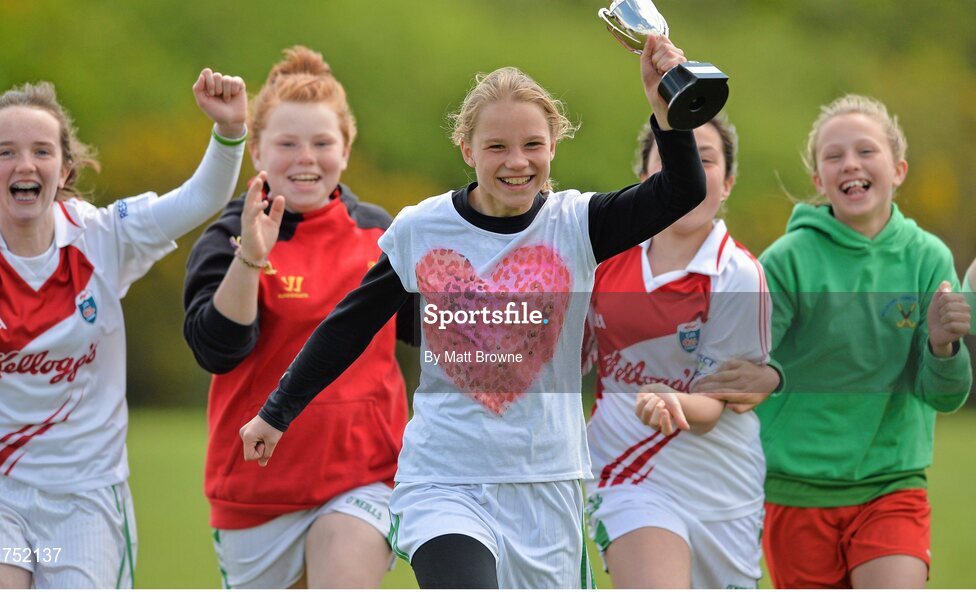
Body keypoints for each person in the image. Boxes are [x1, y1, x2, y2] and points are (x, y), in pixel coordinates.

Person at [238, 33, 707, 589]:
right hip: (444, 481)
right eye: (496, 147)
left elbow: (682, 191)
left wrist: (667, 112)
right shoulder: (422, 228)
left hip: (547, 484)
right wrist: (277, 411)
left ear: (554, 145)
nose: (517, 162)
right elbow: (352, 324)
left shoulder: (578, 224)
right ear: (467, 150)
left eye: (532, 144)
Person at [0, 70, 247, 588]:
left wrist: (229, 132)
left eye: (42, 151)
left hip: (87, 499)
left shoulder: (103, 236)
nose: (25, 164)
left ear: (64, 168)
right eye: (6, 152)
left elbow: (200, 199)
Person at [182, 46, 413, 589]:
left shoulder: (382, 234)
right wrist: (250, 257)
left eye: (322, 142)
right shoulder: (226, 236)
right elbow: (218, 349)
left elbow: (435, 334)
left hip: (365, 476)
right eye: (286, 143)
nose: (305, 157)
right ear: (257, 150)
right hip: (255, 487)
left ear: (346, 150)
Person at [753, 94, 972, 588]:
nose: (850, 163)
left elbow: (945, 395)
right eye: (834, 156)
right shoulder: (785, 261)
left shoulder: (928, 258)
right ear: (819, 181)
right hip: (797, 493)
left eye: (865, 151)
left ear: (898, 169)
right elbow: (747, 360)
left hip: (893, 485)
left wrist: (943, 346)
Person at [582, 113, 776, 588]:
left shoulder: (738, 275)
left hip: (722, 485)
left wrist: (672, 401)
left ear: (727, 183)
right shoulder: (601, 259)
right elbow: (564, 364)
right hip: (625, 473)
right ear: (645, 178)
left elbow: (711, 408)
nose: (689, 170)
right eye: (672, 157)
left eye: (704, 160)